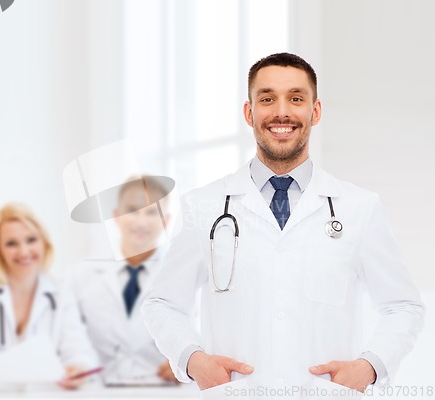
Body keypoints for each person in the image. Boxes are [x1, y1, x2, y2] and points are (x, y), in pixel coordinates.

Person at [142, 53, 425, 398]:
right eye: (266, 99)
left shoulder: (359, 208)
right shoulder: (205, 205)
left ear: (315, 111)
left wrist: (369, 367)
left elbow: (403, 307)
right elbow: (163, 304)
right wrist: (193, 360)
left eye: (295, 98)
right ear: (249, 113)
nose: (281, 112)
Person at [0, 203, 98, 391]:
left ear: (44, 242)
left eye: (31, 240)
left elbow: (79, 350)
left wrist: (77, 368)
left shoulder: (60, 289)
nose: (24, 251)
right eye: (11, 243)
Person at [68, 176, 178, 384]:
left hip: (164, 391)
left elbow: (203, 335)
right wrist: (78, 365)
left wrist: (187, 366)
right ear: (116, 216)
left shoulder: (183, 273)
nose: (141, 221)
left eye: (152, 212)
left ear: (166, 221)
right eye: (132, 210)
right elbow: (71, 336)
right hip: (97, 391)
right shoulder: (80, 276)